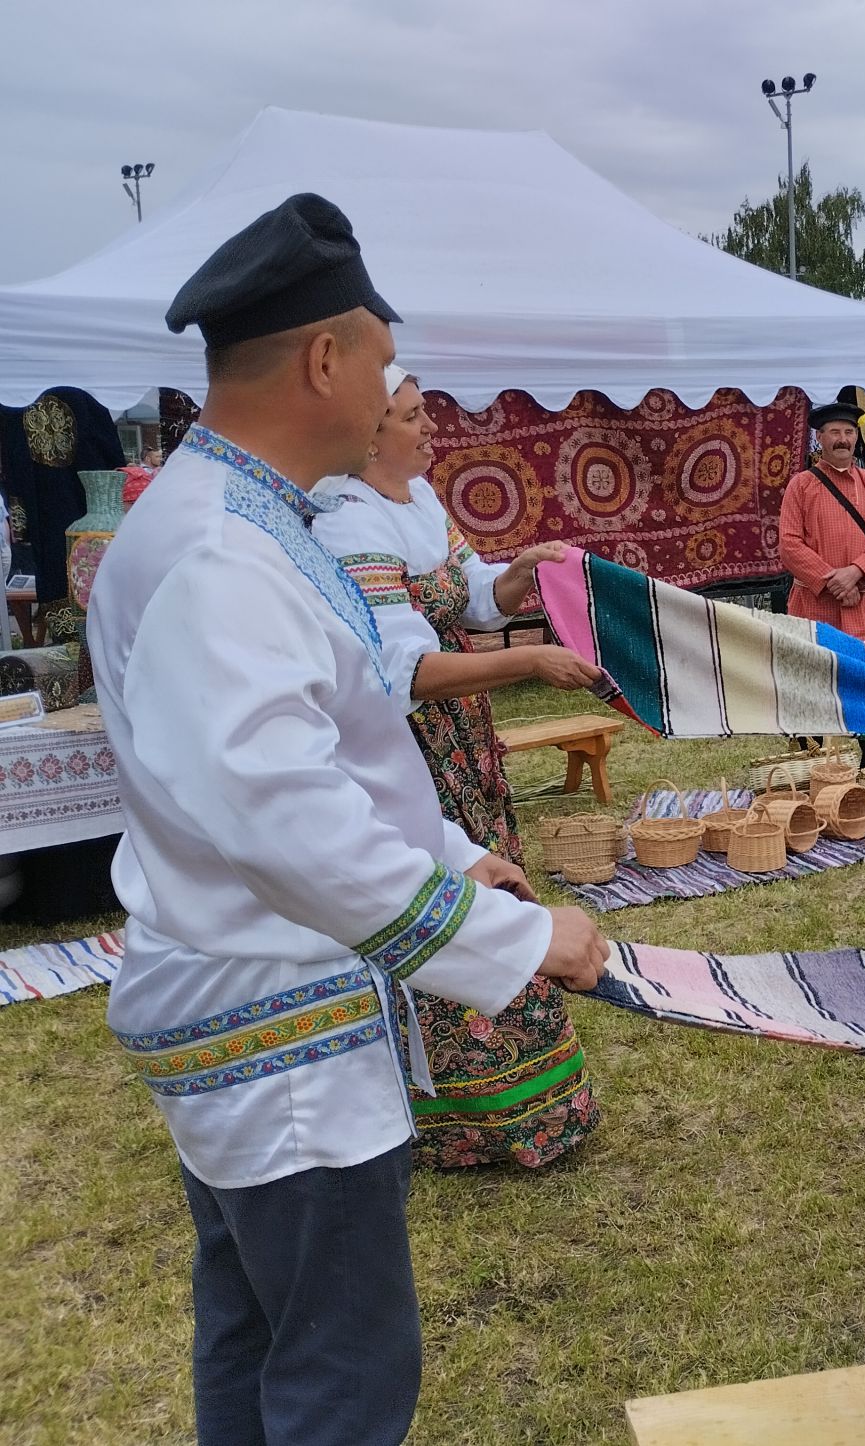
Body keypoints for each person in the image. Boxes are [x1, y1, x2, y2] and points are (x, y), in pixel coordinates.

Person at [85, 194, 608, 1444]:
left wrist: (449, 849)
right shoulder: (220, 552)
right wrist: (516, 945)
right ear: (325, 358)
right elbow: (284, 817)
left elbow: (330, 729)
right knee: (340, 1373)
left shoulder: (241, 519)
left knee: (263, 1338)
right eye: (381, 357)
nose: (390, 388)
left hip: (251, 1008)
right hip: (281, 1030)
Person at [314, 371, 604, 1168]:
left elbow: (472, 596)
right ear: (368, 434)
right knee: (453, 898)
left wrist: (520, 572)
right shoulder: (344, 523)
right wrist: (530, 662)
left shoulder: (418, 501)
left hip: (459, 740)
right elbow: (402, 671)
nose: (431, 430)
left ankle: (532, 1100)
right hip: (410, 749)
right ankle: (462, 1123)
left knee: (497, 886)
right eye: (413, 418)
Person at [780, 391, 865, 766]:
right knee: (811, 687)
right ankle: (812, 775)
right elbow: (788, 544)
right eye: (835, 432)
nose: (843, 440)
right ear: (820, 438)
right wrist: (832, 581)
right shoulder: (801, 485)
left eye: (848, 432)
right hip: (816, 606)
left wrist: (856, 573)